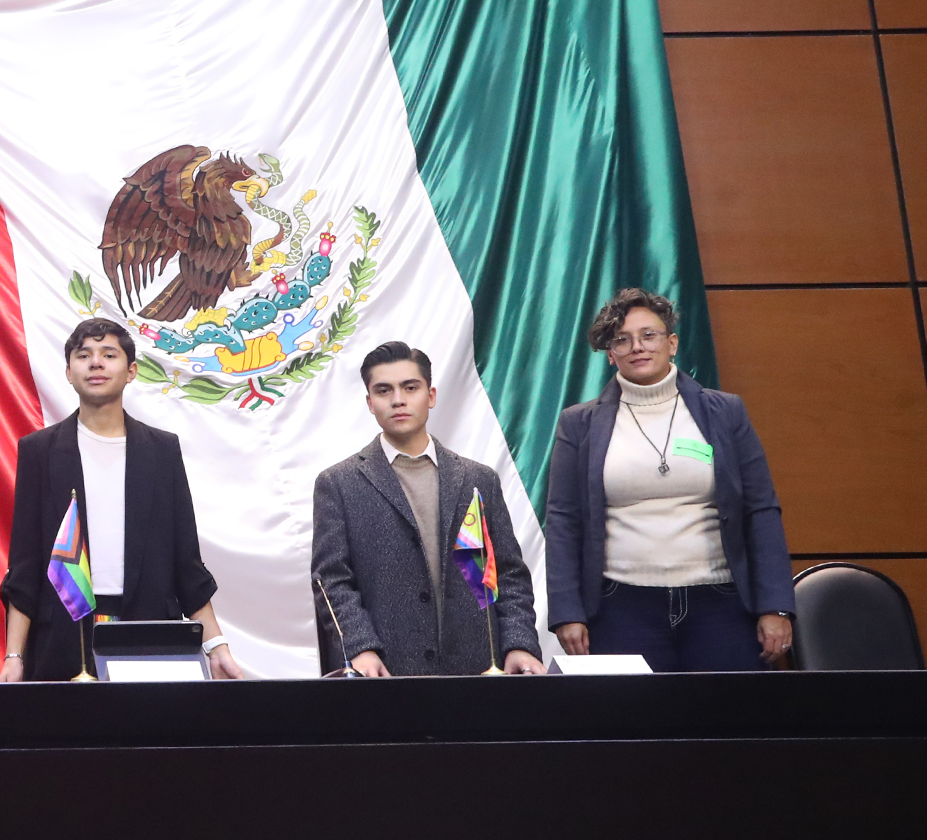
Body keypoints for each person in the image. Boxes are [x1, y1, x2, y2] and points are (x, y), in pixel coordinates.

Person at [543, 288, 794, 671]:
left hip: (721, 604)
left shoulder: (725, 412)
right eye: (622, 339)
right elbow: (563, 520)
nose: (637, 347)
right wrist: (566, 611)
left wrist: (775, 605)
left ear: (672, 343)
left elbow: (761, 510)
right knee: (631, 712)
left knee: (730, 710)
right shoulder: (578, 424)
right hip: (620, 607)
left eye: (649, 335)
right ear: (610, 354)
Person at [0, 318, 243, 682]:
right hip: (62, 635)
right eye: (84, 355)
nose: (96, 363)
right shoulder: (39, 452)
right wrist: (14, 655)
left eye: (109, 355)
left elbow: (186, 562)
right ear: (68, 372)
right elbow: (25, 565)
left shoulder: (161, 450)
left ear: (131, 372)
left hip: (149, 629)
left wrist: (216, 645)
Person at [312, 340, 543, 676]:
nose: (398, 400)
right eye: (384, 390)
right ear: (370, 403)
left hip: (477, 667)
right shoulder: (339, 484)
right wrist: (359, 647)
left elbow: (508, 574)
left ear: (431, 396)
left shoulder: (478, 479)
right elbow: (331, 580)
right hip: (385, 668)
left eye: (410, 387)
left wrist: (519, 643)